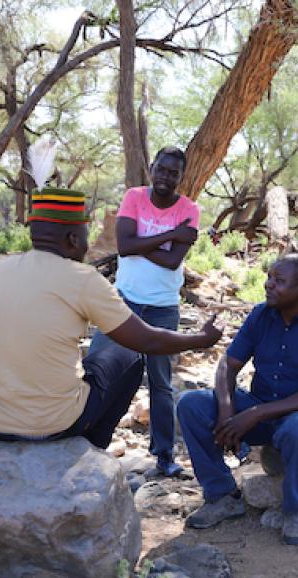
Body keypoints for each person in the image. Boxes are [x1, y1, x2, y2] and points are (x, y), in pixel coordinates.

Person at [0, 186, 221, 448]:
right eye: (85, 234)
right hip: (50, 424)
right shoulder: (82, 279)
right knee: (129, 356)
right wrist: (201, 339)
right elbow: (147, 341)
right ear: (72, 239)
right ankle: (92, 445)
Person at [178, 254, 298, 546]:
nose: (268, 285)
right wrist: (227, 413)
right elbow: (227, 366)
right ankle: (222, 496)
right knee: (191, 404)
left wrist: (253, 414)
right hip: (262, 407)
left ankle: (296, 509)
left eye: (279, 281)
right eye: (269, 277)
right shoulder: (260, 315)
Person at [90, 146, 199, 477]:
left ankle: (164, 455)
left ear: (182, 177)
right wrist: (169, 236)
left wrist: (141, 241)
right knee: (99, 367)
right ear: (152, 168)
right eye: (161, 169)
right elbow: (123, 246)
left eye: (173, 172)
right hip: (124, 301)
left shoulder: (190, 209)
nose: (166, 176)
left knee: (161, 383)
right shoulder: (135, 197)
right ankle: (89, 443)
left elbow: (171, 261)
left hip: (164, 307)